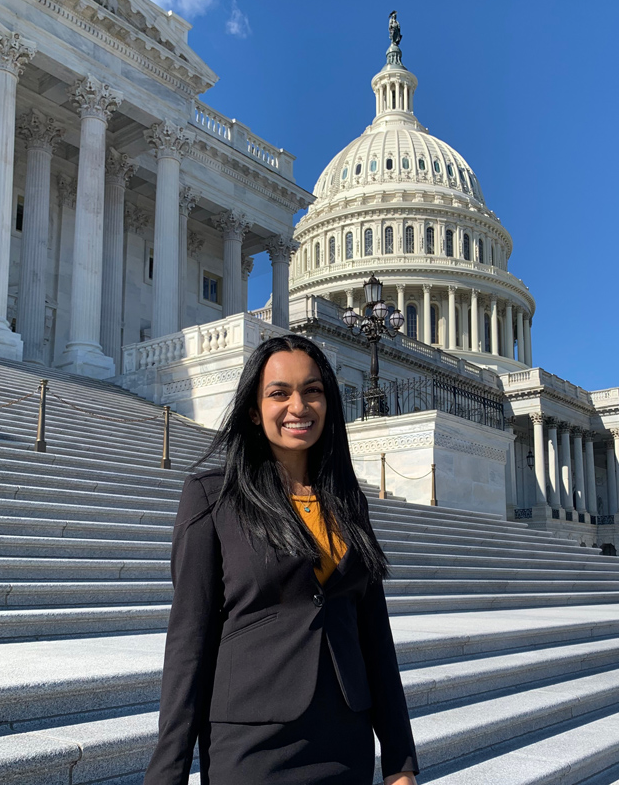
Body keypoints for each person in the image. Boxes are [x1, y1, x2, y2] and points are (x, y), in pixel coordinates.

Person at [144, 334, 419, 785]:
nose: (299, 406)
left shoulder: (349, 503)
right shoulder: (212, 497)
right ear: (254, 410)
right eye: (279, 393)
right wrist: (167, 774)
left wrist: (400, 760)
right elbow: (188, 646)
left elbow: (375, 635)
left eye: (312, 391)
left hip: (344, 739)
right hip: (254, 744)